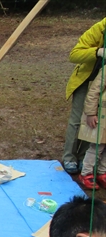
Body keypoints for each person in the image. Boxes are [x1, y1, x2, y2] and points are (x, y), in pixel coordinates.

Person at [61, 18, 105, 174]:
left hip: (103, 84)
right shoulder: (99, 29)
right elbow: (74, 54)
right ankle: (69, 157)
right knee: (77, 119)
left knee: (94, 121)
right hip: (86, 81)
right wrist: (98, 52)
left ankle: (83, 157)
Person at [77, 63, 106, 190]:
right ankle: (86, 173)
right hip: (103, 115)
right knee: (97, 146)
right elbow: (94, 91)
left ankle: (102, 171)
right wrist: (90, 113)